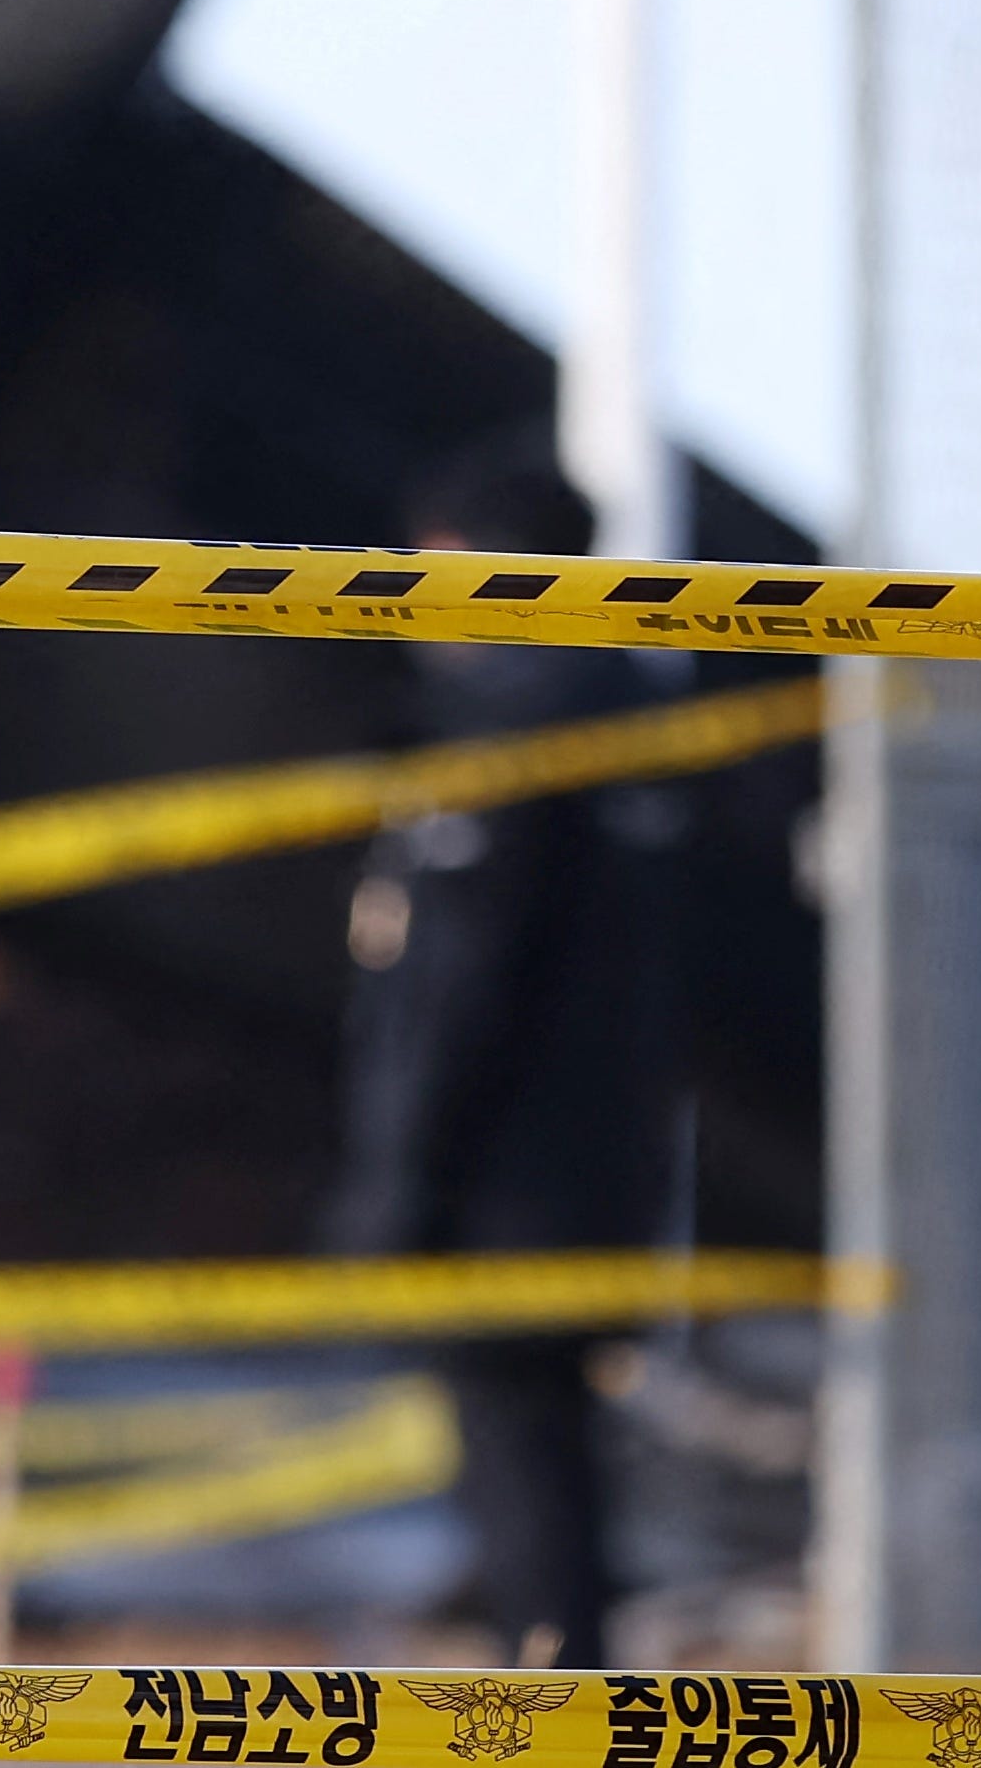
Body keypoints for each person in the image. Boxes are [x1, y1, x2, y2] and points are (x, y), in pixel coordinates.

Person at [328, 430, 679, 1664]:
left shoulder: (500, 741)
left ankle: (555, 1692)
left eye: (434, 566)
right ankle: (552, 1658)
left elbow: (456, 988)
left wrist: (402, 1180)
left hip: (503, 1184)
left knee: (524, 1452)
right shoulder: (637, 723)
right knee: (549, 1457)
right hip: (606, 1164)